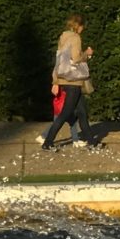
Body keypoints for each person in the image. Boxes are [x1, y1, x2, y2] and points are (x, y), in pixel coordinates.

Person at [40, 14, 94, 150]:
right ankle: (48, 142)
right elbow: (76, 58)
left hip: (65, 78)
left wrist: (56, 81)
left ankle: (91, 142)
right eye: (82, 26)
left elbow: (59, 61)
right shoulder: (75, 38)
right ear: (78, 26)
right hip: (73, 81)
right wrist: (87, 54)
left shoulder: (63, 37)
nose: (83, 29)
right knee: (65, 113)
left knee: (82, 112)